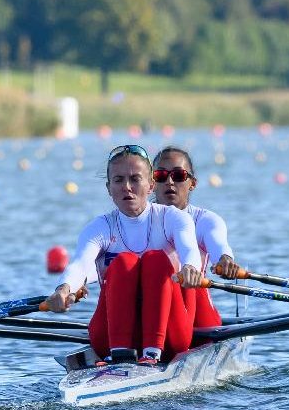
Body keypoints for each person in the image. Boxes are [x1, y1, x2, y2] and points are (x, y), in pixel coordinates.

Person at [46, 144, 204, 366]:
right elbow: (80, 265)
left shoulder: (174, 218)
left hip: (170, 336)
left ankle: (151, 353)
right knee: (124, 262)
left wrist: (190, 268)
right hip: (110, 339)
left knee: (155, 259)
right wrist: (63, 289)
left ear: (150, 185)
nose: (127, 187)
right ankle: (120, 353)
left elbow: (190, 251)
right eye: (118, 180)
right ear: (109, 188)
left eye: (135, 179)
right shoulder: (100, 227)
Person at [151, 145, 239, 328]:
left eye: (178, 175)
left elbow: (218, 244)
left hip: (198, 317)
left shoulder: (206, 220)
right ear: (151, 183)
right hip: (151, 311)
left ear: (193, 183)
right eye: (160, 175)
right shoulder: (137, 221)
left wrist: (224, 260)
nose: (169, 182)